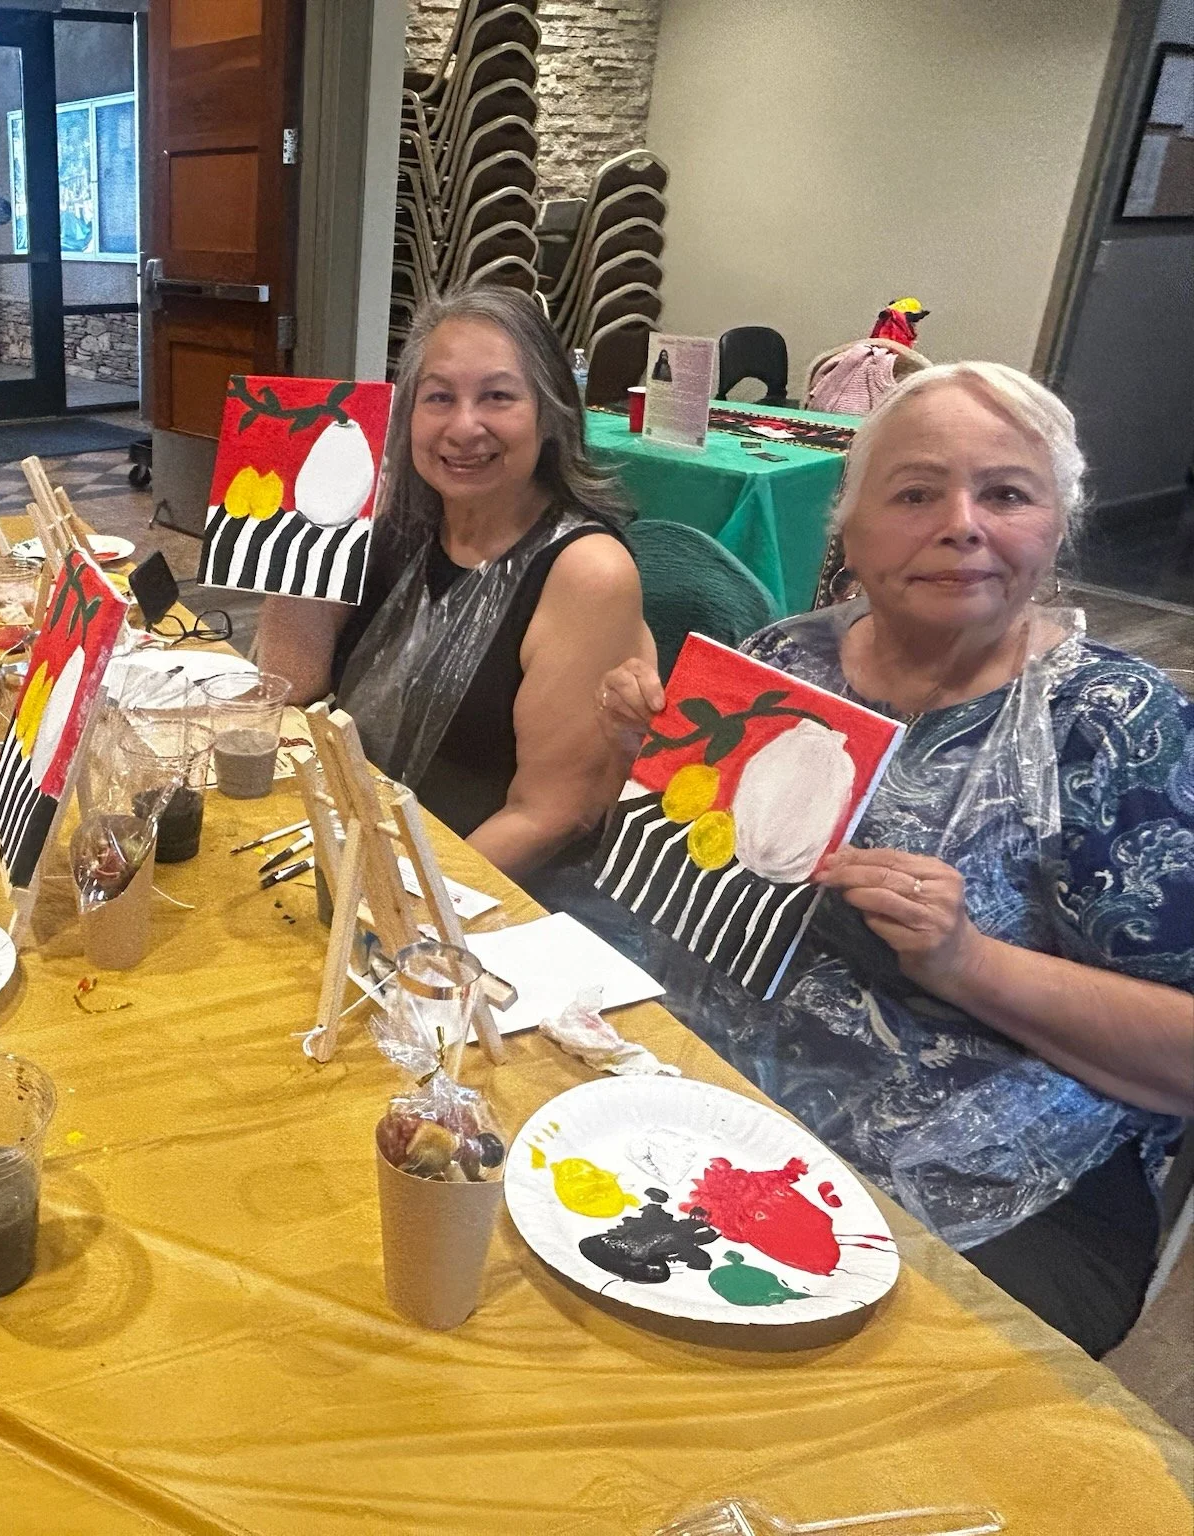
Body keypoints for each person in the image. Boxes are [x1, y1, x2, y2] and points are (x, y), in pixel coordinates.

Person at [586, 361, 1194, 1356]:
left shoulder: (1116, 728)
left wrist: (967, 961)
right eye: (914, 494)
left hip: (990, 1188)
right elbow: (696, 891)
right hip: (708, 1105)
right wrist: (647, 764)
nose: (961, 525)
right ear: (851, 527)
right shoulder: (782, 662)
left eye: (1006, 494)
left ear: (1055, 526)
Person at [257, 285, 655, 876]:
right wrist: (308, 531)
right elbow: (290, 685)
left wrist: (394, 895)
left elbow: (548, 816)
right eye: (439, 397)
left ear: (550, 415)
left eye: (497, 396)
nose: (464, 427)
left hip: (474, 885)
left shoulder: (587, 574)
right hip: (351, 835)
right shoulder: (396, 524)